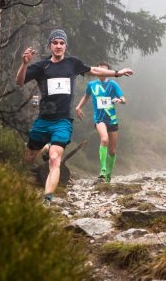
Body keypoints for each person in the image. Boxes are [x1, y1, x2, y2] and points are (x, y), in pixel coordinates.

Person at [16, 29, 133, 204]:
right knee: (29, 158)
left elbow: (94, 70)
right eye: (55, 43)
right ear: (50, 46)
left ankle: (47, 198)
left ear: (65, 46)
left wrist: (117, 72)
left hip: (63, 121)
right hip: (43, 120)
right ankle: (37, 158)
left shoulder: (72, 63)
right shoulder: (41, 67)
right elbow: (19, 82)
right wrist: (24, 64)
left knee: (55, 159)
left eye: (61, 43)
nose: (58, 46)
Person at [75, 62, 126, 183]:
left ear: (108, 72)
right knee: (104, 140)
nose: (102, 72)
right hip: (99, 119)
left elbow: (124, 99)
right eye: (100, 70)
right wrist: (78, 107)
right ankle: (102, 170)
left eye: (105, 70)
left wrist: (119, 100)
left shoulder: (113, 84)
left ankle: (108, 175)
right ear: (97, 71)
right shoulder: (91, 84)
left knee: (112, 150)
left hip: (112, 120)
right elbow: (86, 96)